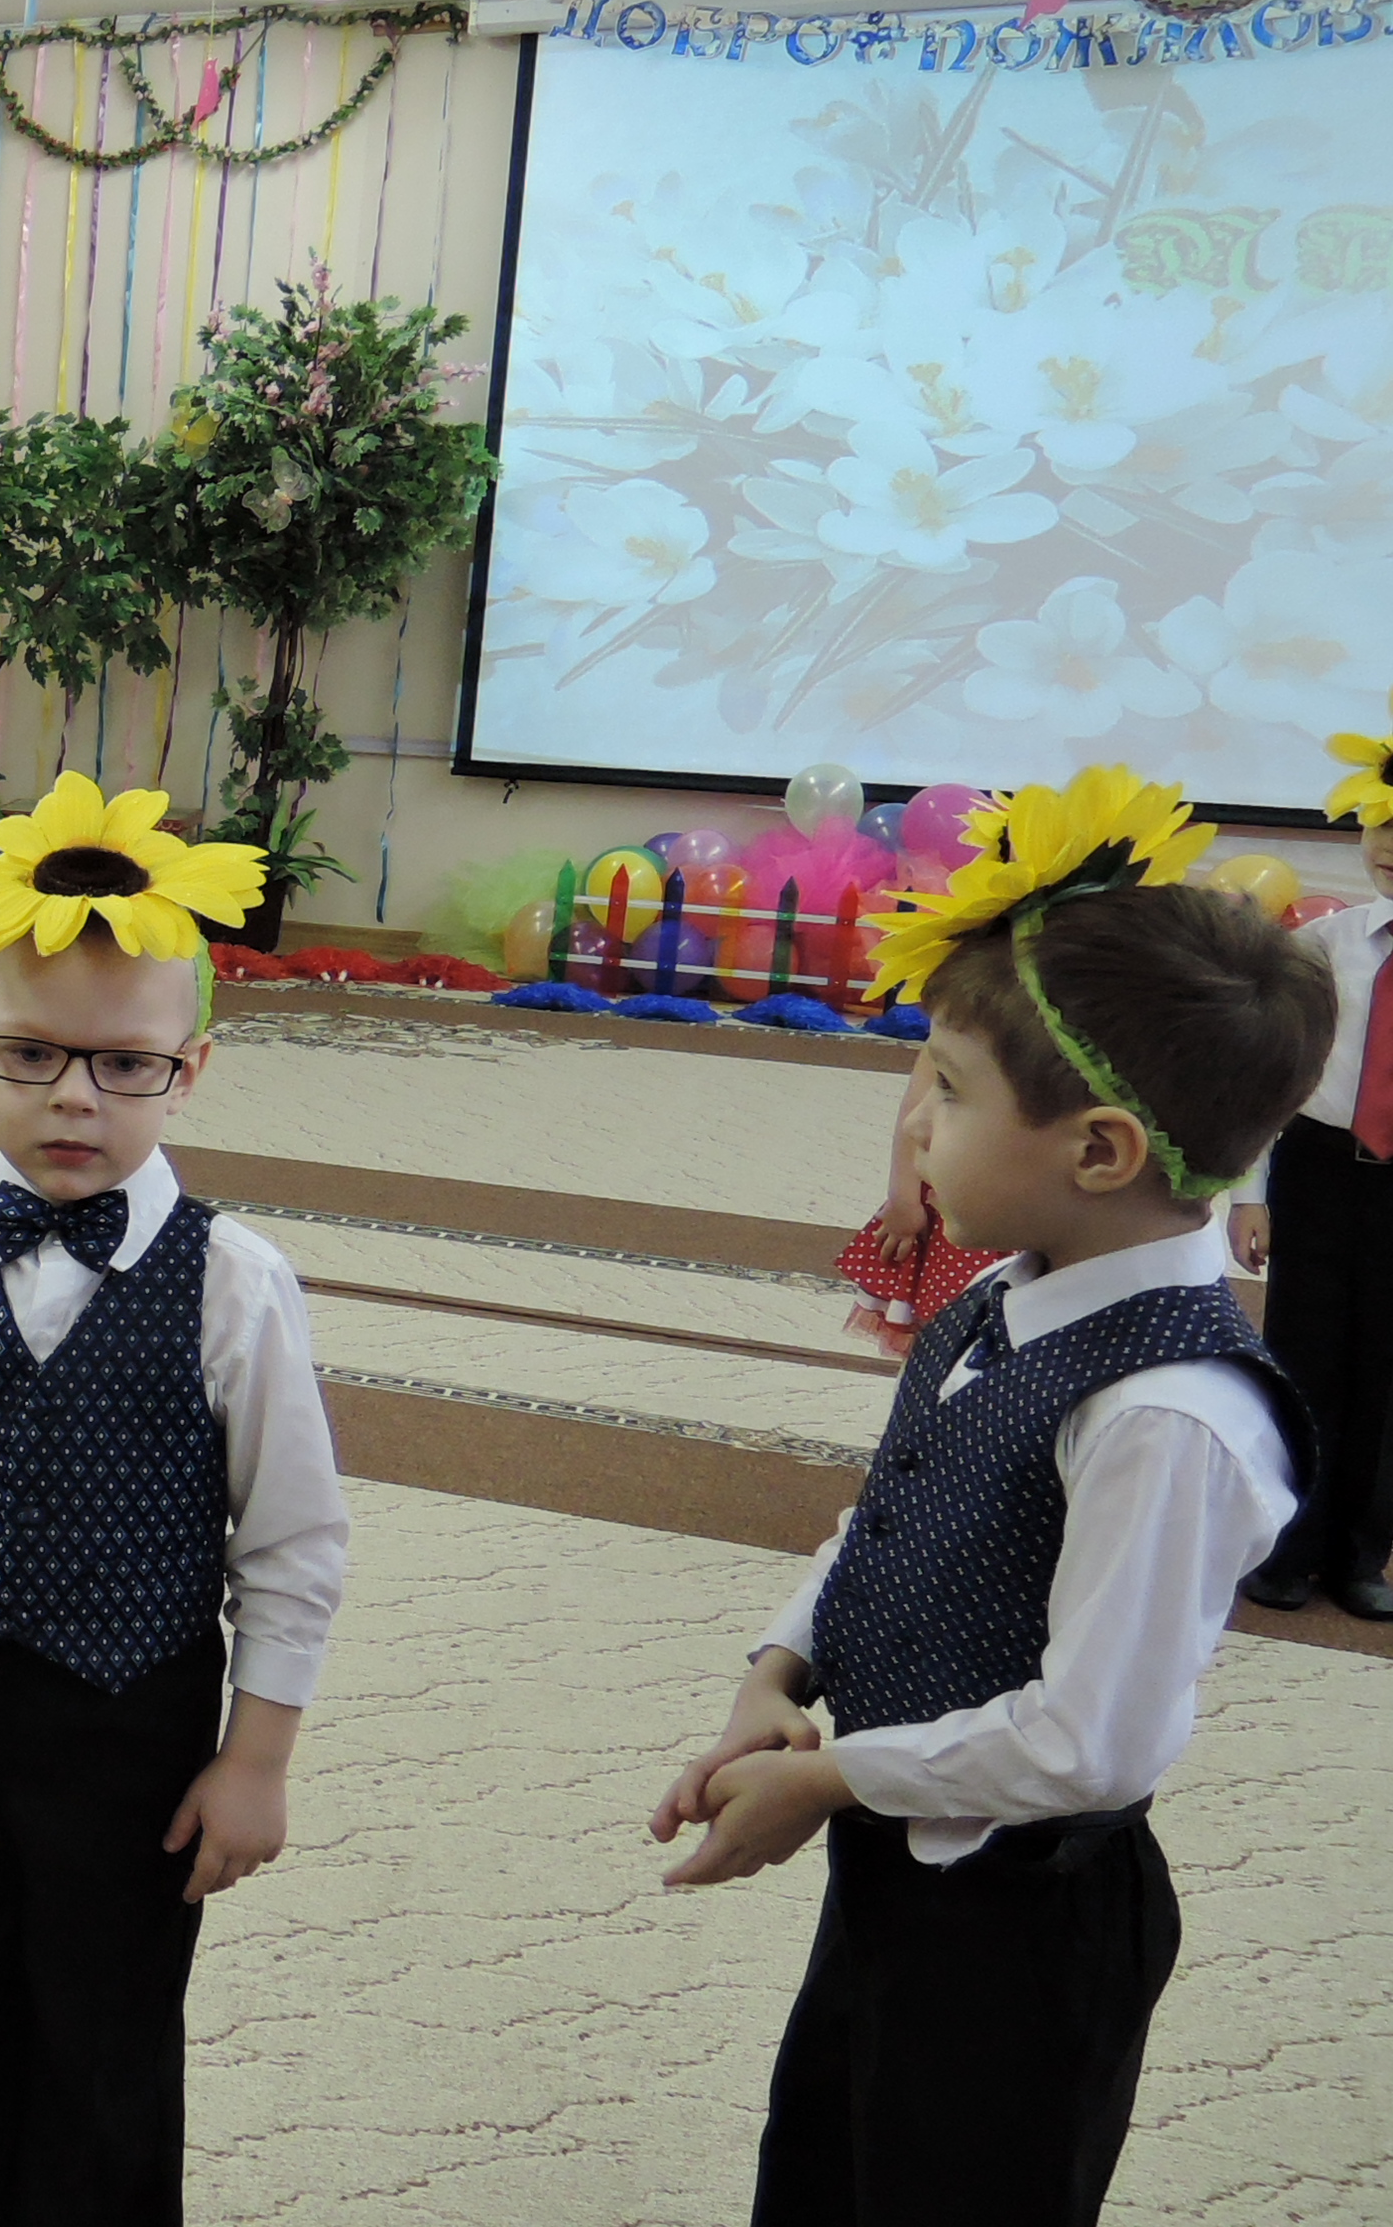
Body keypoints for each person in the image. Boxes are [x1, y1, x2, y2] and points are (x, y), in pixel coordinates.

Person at [649, 769, 1336, 2226]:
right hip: (898, 1861)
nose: (913, 1131)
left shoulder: (1166, 1416)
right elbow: (892, 1515)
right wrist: (779, 1671)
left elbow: (1092, 1741)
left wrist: (828, 1777)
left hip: (1024, 1927)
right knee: (825, 2172)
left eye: (948, 1094)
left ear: (1098, 1150)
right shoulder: (1002, 1299)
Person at [0, 775, 351, 2225]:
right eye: (32, 1053)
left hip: (132, 1729)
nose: (73, 1098)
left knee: (106, 2045)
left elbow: (292, 1541)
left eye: (124, 1065)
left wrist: (257, 1760)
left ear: (191, 1067)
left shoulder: (235, 1284)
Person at [1227, 791, 1393, 1620]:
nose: (1391, 844)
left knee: (1386, 1376)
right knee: (1302, 1357)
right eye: (1384, 824)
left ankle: (1360, 1555)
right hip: (1320, 1169)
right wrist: (1248, 1194)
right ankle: (1286, 1549)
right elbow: (1272, 1076)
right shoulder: (1324, 948)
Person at [835, 1057, 1012, 1359]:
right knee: (944, 1331)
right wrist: (904, 1198)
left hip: (1025, 1206)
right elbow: (917, 1104)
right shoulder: (960, 1031)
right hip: (952, 1200)